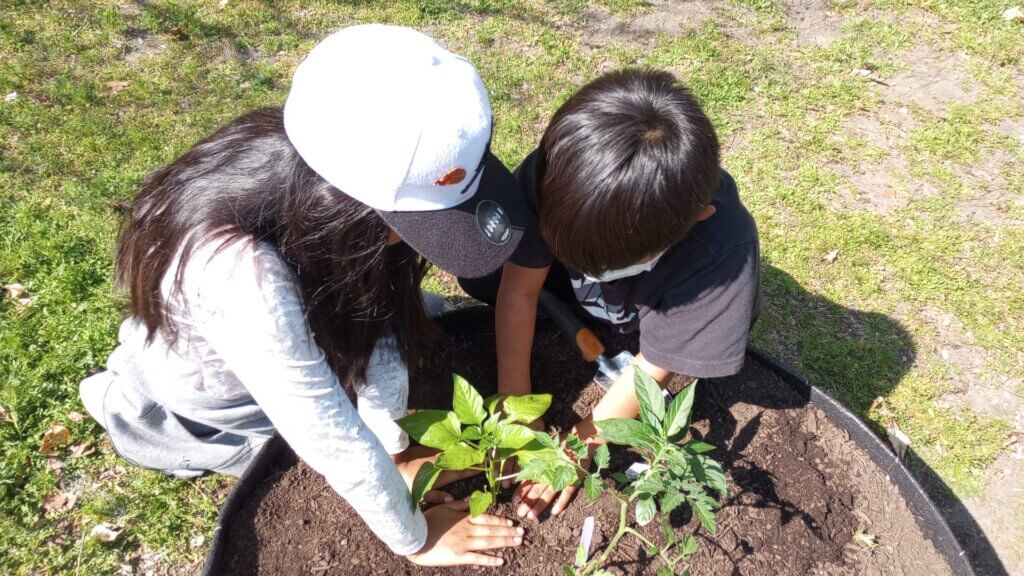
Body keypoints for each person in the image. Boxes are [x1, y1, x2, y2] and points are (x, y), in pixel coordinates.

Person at [79, 25, 533, 567]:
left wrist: (398, 449)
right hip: (223, 391)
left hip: (285, 325)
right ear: (348, 208)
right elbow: (329, 434)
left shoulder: (333, 151)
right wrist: (416, 536)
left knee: (417, 323)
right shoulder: (240, 274)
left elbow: (378, 316)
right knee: (298, 445)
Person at [458, 69, 761, 519]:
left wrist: (580, 444)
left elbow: (654, 366)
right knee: (483, 276)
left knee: (677, 343)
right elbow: (519, 290)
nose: (593, 272)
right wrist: (516, 411)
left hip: (658, 303)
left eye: (606, 265)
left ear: (698, 216)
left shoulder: (721, 253)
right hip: (571, 272)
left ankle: (619, 325)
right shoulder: (563, 178)